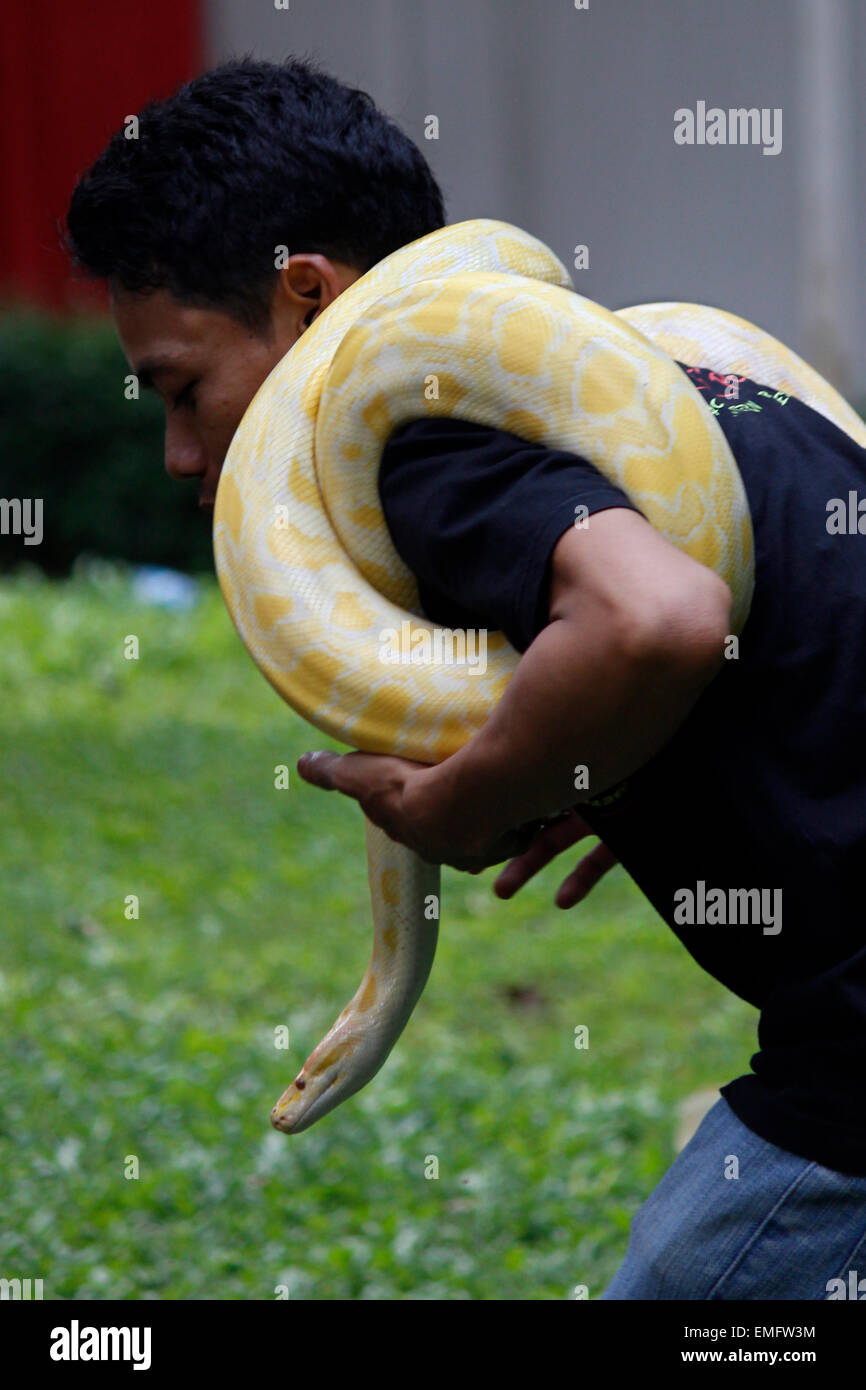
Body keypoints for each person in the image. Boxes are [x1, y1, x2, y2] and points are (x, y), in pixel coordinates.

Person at [66, 55, 866, 1300]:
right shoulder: (695, 376)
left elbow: (660, 616)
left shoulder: (417, 434)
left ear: (306, 295)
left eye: (184, 389)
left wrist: (463, 802)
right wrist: (622, 746)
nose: (182, 454)